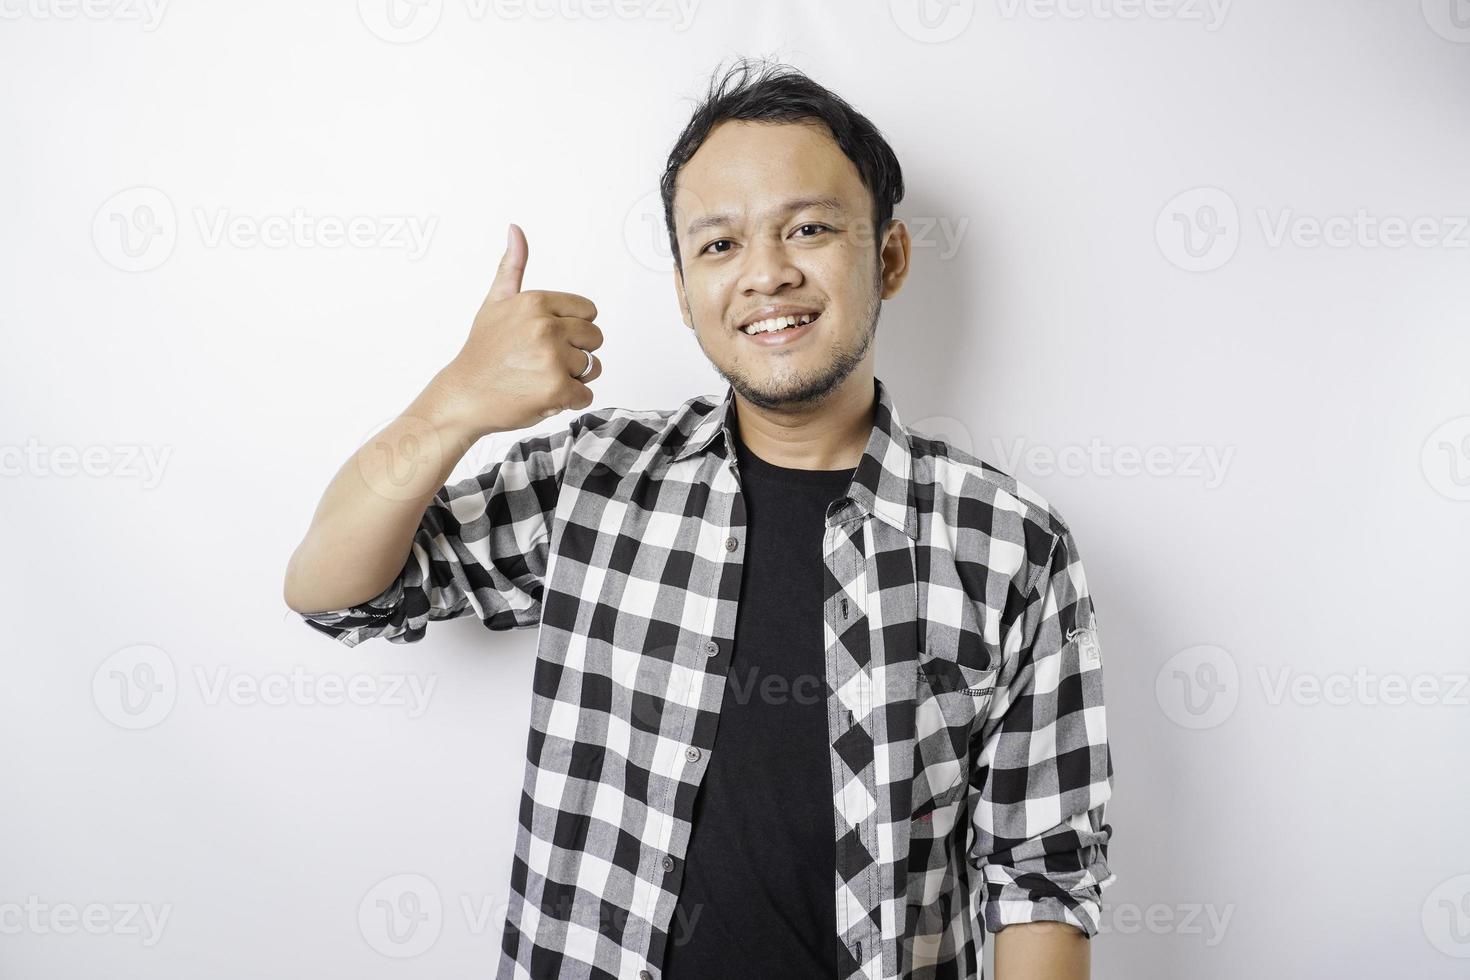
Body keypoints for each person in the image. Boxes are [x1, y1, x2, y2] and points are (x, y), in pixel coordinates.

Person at [284, 57, 1115, 980]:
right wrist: (453, 403)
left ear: (888, 256)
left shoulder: (1008, 542)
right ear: (684, 294)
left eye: (808, 227)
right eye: (719, 245)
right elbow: (336, 593)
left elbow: (1039, 877)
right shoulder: (594, 480)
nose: (766, 274)